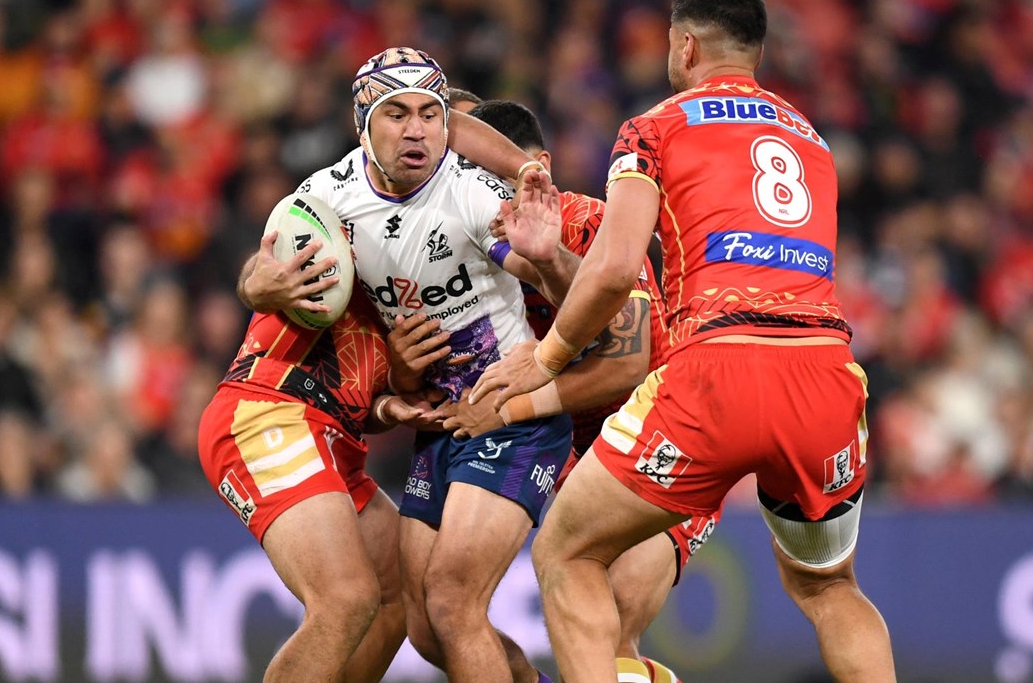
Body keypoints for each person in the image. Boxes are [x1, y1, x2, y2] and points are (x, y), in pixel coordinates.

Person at [471, 0, 897, 682]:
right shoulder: (812, 138)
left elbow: (612, 269)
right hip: (824, 370)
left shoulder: (655, 126)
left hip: (718, 367)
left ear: (687, 48)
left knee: (566, 554)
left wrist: (544, 359)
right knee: (830, 589)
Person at [263, 47, 577, 683]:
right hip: (441, 429)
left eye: (431, 115)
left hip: (509, 418)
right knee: (427, 627)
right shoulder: (327, 196)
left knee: (453, 601)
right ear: (363, 125)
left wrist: (549, 260)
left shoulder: (468, 190)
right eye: (398, 114)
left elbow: (572, 298)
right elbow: (260, 268)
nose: (417, 131)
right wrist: (261, 289)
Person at [441, 99, 717, 683]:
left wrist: (512, 405)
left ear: (535, 169)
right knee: (446, 618)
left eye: (486, 182)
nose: (475, 200)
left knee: (611, 617)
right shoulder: (458, 248)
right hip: (560, 446)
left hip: (660, 434)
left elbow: (626, 368)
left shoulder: (593, 225)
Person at [199, 232, 421, 682]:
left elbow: (365, 398)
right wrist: (253, 286)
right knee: (346, 598)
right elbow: (265, 263)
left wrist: (384, 406)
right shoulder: (350, 202)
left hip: (337, 437)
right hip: (268, 408)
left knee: (400, 589)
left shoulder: (436, 268)